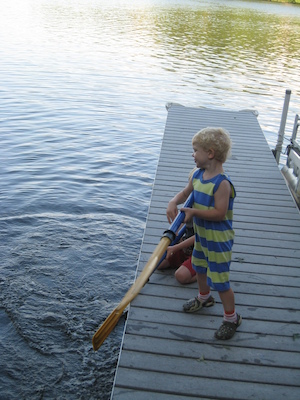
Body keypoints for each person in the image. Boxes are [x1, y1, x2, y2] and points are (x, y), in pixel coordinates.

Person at [166, 127, 241, 340]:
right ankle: (204, 297)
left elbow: (219, 213)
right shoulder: (198, 175)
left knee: (220, 281)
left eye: (195, 150)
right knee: (199, 267)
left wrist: (193, 212)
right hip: (202, 237)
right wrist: (173, 201)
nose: (192, 154)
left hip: (218, 241)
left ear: (209, 153)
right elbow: (184, 193)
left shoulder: (222, 184)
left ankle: (231, 318)